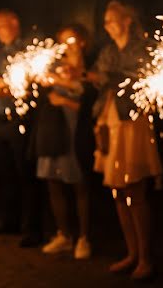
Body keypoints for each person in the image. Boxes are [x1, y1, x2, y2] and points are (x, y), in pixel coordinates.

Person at [89, 0, 161, 281]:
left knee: (135, 189)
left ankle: (146, 257)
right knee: (118, 191)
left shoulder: (141, 48)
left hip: (132, 124)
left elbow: (144, 81)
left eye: (111, 20)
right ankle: (131, 253)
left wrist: (111, 77)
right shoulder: (108, 50)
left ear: (128, 20)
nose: (107, 26)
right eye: (105, 21)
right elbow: (99, 77)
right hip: (109, 122)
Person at [0, 9, 43, 247]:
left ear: (14, 24)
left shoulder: (25, 50)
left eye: (0, 25)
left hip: (18, 119)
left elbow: (21, 84)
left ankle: (33, 227)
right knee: (4, 173)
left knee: (25, 172)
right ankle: (9, 220)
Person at [33, 25, 97, 260]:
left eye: (70, 40)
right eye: (61, 40)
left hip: (77, 131)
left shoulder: (91, 67)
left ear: (82, 42)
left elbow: (91, 104)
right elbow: (43, 91)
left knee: (79, 183)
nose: (65, 44)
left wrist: (65, 97)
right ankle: (63, 234)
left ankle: (83, 237)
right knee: (54, 182)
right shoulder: (53, 64)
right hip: (53, 130)